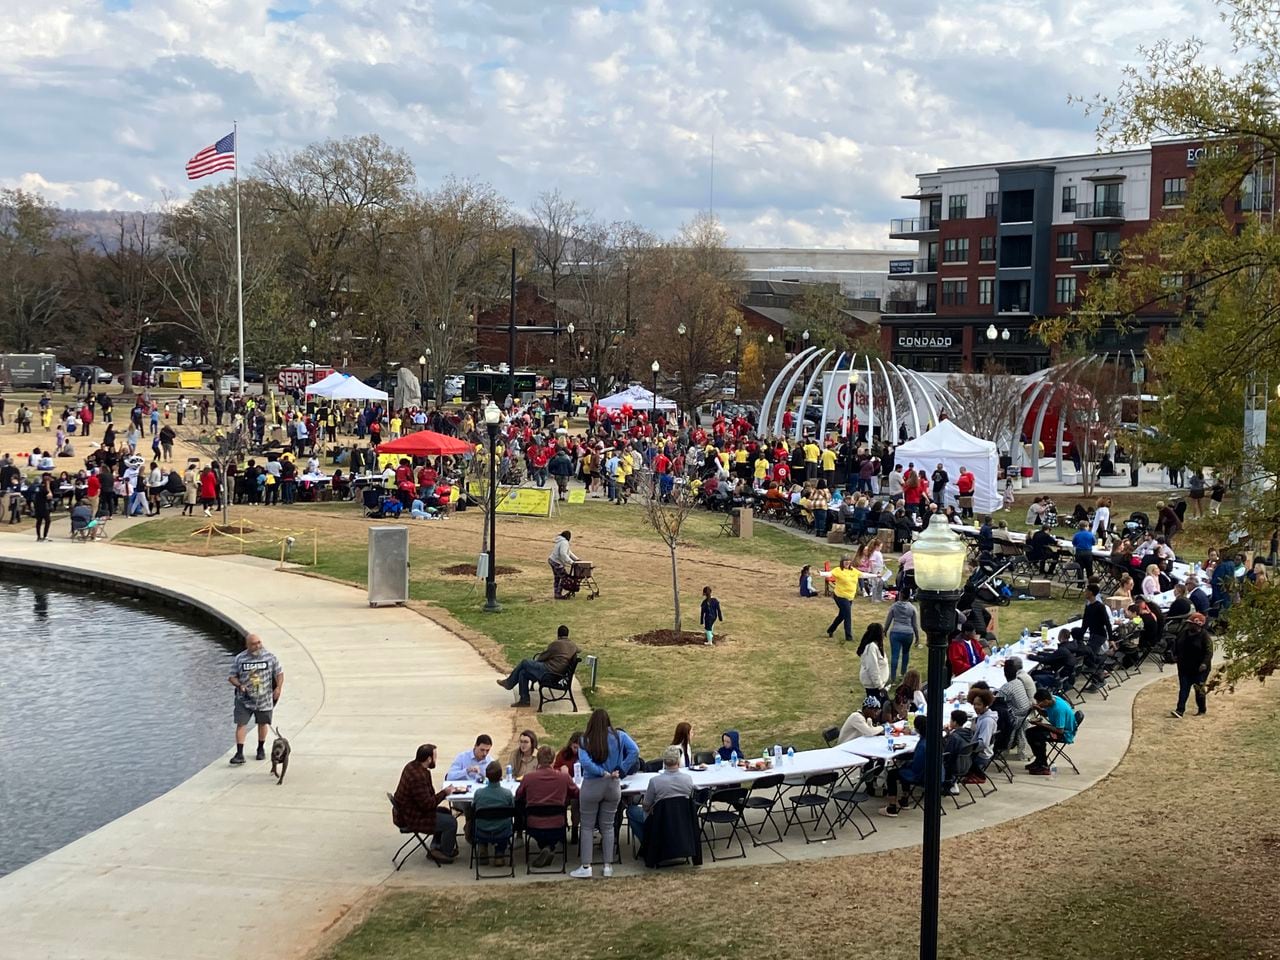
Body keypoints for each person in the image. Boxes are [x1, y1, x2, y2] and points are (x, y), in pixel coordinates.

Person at [571, 708, 637, 879]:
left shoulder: (585, 740)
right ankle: (608, 865)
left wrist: (601, 772)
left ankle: (586, 866)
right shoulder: (619, 736)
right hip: (613, 784)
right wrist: (621, 769)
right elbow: (635, 750)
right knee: (608, 826)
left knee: (587, 826)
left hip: (592, 784)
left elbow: (585, 762)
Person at [392, 743, 460, 864]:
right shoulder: (418, 777)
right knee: (451, 822)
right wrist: (445, 792)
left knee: (445, 812)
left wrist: (442, 794)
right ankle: (445, 852)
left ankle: (436, 847)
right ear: (429, 759)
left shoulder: (412, 766)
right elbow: (427, 804)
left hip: (409, 811)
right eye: (435, 757)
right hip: (412, 817)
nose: (435, 760)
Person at [515, 745, 578, 867]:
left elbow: (518, 795)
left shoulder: (528, 778)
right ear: (554, 760)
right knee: (551, 828)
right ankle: (549, 847)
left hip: (533, 825)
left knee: (522, 807)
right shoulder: (563, 777)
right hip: (557, 824)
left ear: (538, 760)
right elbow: (576, 793)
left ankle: (546, 847)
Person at [227, 633, 284, 765]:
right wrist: (239, 685)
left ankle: (260, 749)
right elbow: (231, 676)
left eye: (259, 642)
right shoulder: (240, 658)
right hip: (244, 699)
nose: (258, 646)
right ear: (247, 645)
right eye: (254, 644)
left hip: (264, 698)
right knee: (241, 724)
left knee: (262, 723)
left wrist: (278, 688)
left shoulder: (270, 657)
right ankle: (239, 753)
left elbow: (279, 673)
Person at [628, 745, 696, 846]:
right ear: (678, 761)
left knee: (631, 811)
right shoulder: (688, 779)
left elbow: (646, 806)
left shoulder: (655, 782)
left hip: (659, 819)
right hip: (681, 817)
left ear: (664, 762)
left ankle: (648, 844)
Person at [496, 624, 580, 706]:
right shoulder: (573, 645)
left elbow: (541, 658)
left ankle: (509, 683)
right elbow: (579, 650)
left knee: (525, 662)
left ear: (558, 634)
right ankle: (524, 700)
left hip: (548, 673)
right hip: (557, 675)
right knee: (523, 672)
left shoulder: (556, 644)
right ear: (567, 634)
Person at [881, 715, 934, 816]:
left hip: (921, 776)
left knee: (892, 774)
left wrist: (907, 763)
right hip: (932, 774)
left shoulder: (922, 744)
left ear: (917, 729)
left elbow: (916, 767)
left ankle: (892, 807)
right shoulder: (931, 740)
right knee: (904, 768)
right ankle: (904, 800)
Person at [472, 761, 516, 867]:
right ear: (501, 776)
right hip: (502, 831)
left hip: (482, 831)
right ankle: (499, 854)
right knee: (505, 822)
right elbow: (512, 808)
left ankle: (482, 846)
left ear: (486, 776)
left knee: (476, 820)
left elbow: (473, 808)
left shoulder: (478, 793)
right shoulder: (507, 794)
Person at [1025, 687, 1077, 775]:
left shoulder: (1059, 709)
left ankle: (1043, 765)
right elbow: (1047, 713)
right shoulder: (1052, 700)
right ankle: (1039, 760)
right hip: (1058, 728)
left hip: (1064, 733)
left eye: (1039, 702)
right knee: (1029, 732)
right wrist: (1039, 709)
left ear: (1046, 701)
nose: (1038, 704)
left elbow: (1060, 730)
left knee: (1038, 736)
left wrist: (1040, 724)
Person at [1171, 612, 1213, 718]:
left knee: (1199, 689)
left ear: (1199, 625)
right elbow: (1176, 644)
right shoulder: (1183, 633)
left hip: (1199, 668)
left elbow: (1209, 652)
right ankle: (1180, 710)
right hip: (1184, 666)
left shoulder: (1204, 637)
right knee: (1184, 688)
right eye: (1189, 623)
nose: (1189, 626)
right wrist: (1175, 655)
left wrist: (1204, 663)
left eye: (1192, 624)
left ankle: (1202, 709)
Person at [883, 595, 920, 683]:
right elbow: (915, 624)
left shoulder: (894, 606)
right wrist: (917, 636)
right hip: (908, 633)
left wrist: (885, 630)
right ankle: (903, 674)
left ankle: (892, 677)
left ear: (900, 595)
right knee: (905, 653)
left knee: (895, 655)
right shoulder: (912, 608)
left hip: (895, 632)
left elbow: (889, 620)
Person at [825, 554, 860, 642]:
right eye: (845, 561)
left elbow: (863, 575)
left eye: (849, 561)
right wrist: (821, 573)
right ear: (842, 562)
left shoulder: (854, 571)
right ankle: (849, 637)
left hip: (850, 597)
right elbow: (829, 574)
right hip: (840, 596)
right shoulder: (838, 570)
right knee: (847, 616)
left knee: (842, 616)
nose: (847, 562)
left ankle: (830, 630)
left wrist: (876, 575)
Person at [966, 688, 997, 780]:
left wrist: (968, 748)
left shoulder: (987, 721)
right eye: (974, 704)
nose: (976, 707)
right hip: (981, 752)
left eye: (979, 704)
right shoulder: (982, 717)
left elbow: (983, 743)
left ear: (985, 705)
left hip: (981, 756)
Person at [857, 623, 890, 702]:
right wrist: (880, 687)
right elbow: (873, 668)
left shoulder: (877, 646)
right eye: (882, 632)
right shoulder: (871, 647)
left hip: (877, 686)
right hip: (875, 687)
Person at [548, 529, 580, 600]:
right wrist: (571, 562)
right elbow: (563, 554)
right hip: (557, 562)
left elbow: (568, 552)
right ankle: (558, 594)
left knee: (557, 578)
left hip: (552, 560)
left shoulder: (560, 541)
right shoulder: (564, 542)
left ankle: (556, 593)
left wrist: (576, 559)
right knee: (564, 578)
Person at [32, 474, 52, 542]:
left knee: (39, 521)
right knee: (48, 520)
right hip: (43, 506)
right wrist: (48, 487)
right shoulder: (44, 488)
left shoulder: (38, 487)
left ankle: (38, 536)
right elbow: (49, 496)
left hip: (37, 506)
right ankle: (45, 536)